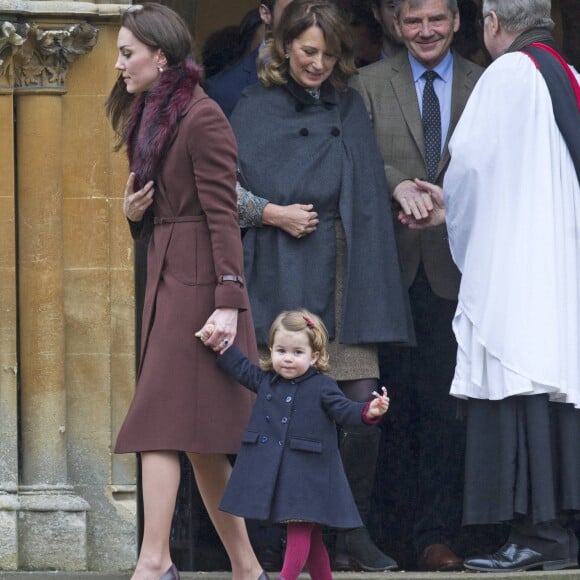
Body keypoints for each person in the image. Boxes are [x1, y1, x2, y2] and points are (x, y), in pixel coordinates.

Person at [231, 0, 412, 572]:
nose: (319, 63)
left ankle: (349, 534)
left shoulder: (350, 104)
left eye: (330, 54)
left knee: (359, 403)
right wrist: (271, 213)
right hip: (281, 266)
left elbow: (362, 184)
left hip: (344, 268)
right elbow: (219, 191)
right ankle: (273, 541)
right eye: (310, 51)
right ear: (286, 46)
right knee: (276, 413)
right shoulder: (253, 106)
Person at [399, 0, 580, 572]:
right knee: (557, 388)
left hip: (518, 268)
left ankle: (537, 536)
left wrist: (446, 214)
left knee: (519, 381)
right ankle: (559, 535)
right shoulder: (570, 74)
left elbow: (471, 165)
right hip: (560, 261)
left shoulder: (507, 72)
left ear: (492, 24)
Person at [105, 4, 266, 579]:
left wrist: (228, 300)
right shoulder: (152, 114)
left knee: (158, 420)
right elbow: (163, 210)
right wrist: (132, 215)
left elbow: (224, 215)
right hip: (170, 275)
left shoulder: (202, 117)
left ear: (161, 57)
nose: (119, 64)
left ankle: (153, 563)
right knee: (195, 440)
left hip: (202, 289)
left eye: (128, 53)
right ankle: (247, 569)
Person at [349, 0, 483, 572]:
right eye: (412, 21)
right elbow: (351, 159)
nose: (424, 31)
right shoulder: (365, 84)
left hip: (464, 273)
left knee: (448, 410)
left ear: (457, 21)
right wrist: (397, 182)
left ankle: (436, 536)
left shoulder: (487, 84)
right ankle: (389, 536)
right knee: (390, 410)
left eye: (436, 19)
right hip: (388, 274)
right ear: (393, 25)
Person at [196, 310, 392, 580]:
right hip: (282, 476)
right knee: (312, 539)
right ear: (271, 351)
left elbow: (345, 410)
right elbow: (240, 368)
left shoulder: (323, 385)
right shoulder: (266, 380)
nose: (287, 358)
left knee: (299, 530)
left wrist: (370, 411)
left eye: (297, 352)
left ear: (314, 356)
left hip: (310, 475)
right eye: (281, 350)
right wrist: (221, 345)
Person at [204, 0, 294, 118]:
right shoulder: (224, 91)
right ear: (266, 14)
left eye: (312, 9)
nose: (306, 20)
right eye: (292, 12)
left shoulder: (323, 78)